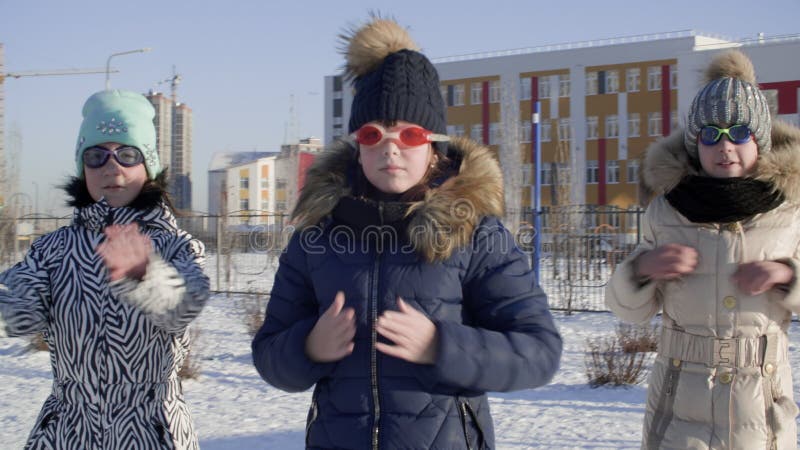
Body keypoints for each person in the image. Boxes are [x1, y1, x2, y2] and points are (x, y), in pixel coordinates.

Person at [252, 16, 562, 449]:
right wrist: (309, 347)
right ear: (357, 144)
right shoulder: (316, 236)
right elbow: (269, 354)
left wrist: (441, 345)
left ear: (433, 145)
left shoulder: (476, 233)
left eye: (411, 134)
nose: (391, 148)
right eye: (373, 133)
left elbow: (539, 352)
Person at [606, 50, 800, 449]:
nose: (725, 145)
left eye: (739, 132)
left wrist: (787, 275)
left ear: (759, 141)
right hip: (680, 406)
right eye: (710, 134)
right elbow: (626, 308)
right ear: (696, 144)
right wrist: (643, 269)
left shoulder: (790, 210)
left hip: (758, 406)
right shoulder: (667, 209)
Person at [0, 89, 210, 449]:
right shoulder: (53, 249)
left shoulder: (176, 244)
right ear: (83, 168)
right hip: (67, 433)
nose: (111, 167)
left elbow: (184, 307)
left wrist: (144, 274)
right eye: (96, 156)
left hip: (152, 431)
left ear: (149, 166)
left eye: (127, 154)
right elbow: (20, 316)